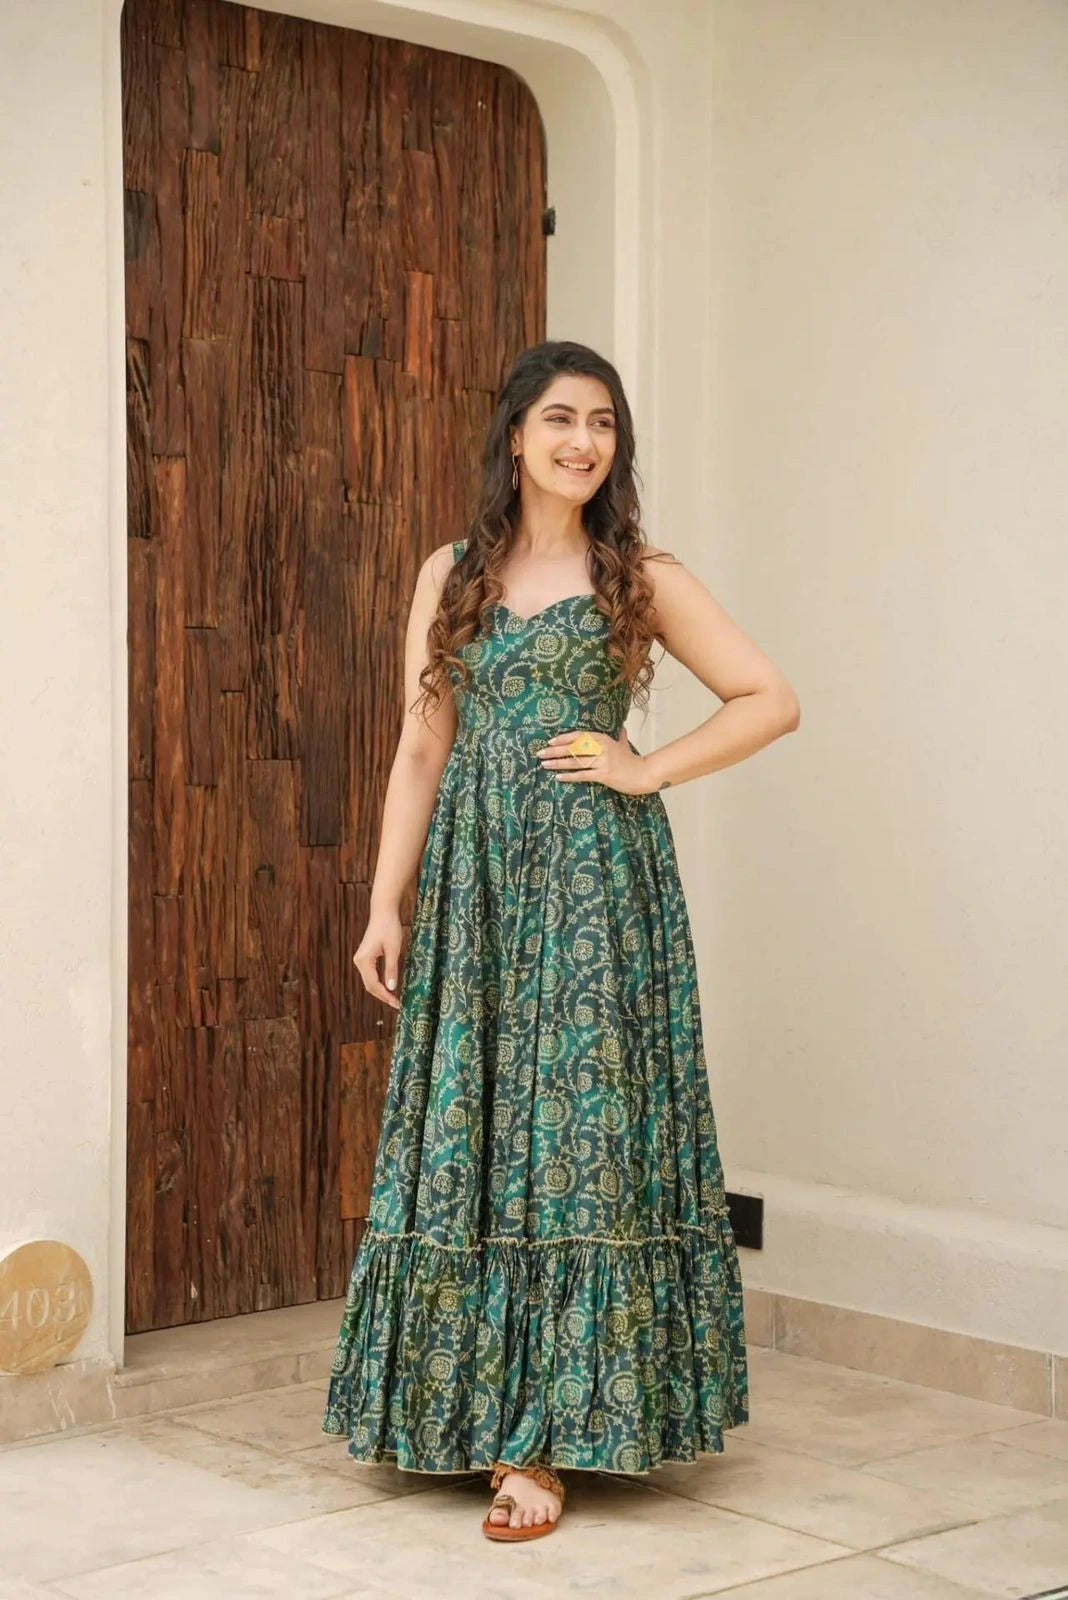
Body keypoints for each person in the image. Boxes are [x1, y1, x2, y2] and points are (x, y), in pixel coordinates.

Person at [322, 339, 800, 1541]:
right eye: (559, 419)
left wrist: (644, 768)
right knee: (479, 1130)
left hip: (596, 889)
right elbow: (421, 747)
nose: (583, 440)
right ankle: (467, 1407)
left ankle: (541, 1441)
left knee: (573, 1136)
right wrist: (386, 903)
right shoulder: (453, 571)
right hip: (477, 888)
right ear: (516, 434)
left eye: (603, 423)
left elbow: (768, 697)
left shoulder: (637, 572)